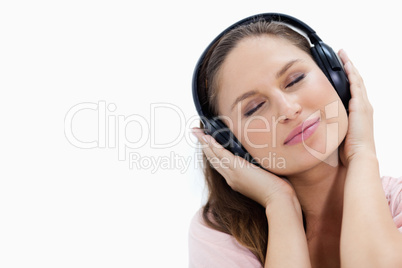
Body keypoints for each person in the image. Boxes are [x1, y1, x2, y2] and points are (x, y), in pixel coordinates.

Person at [189, 13, 402, 268]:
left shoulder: (397, 201)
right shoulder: (220, 234)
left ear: (335, 77)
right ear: (230, 143)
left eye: (295, 79)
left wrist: (362, 153)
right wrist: (280, 204)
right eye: (254, 107)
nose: (288, 110)